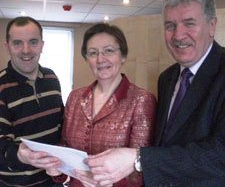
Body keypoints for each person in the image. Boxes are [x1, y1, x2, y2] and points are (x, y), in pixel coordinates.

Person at [77, 0, 225, 186]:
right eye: (170, 26)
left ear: (212, 25)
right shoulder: (168, 78)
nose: (178, 35)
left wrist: (139, 159)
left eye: (189, 23)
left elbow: (220, 155)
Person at [19, 23, 157, 187]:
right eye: (93, 53)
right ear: (87, 59)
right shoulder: (75, 97)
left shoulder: (141, 100)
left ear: (123, 56)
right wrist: (57, 169)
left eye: (108, 51)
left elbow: (140, 166)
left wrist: (106, 182)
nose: (100, 59)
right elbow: (65, 147)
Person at [0, 16, 64, 186]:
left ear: (42, 45)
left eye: (33, 42)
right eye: (17, 43)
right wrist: (20, 155)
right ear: (7, 47)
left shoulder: (52, 78)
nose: (26, 50)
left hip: (54, 180)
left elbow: (61, 126)